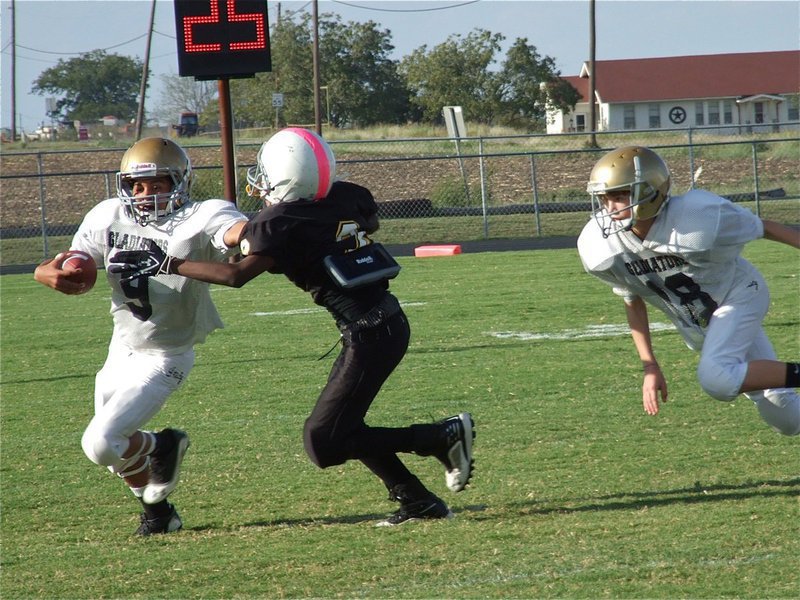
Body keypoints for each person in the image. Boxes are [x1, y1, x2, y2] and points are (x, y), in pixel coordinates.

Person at [108, 127, 476, 525]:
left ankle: (439, 437)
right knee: (344, 427)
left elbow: (236, 276)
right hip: (382, 324)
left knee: (324, 442)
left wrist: (168, 263)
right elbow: (363, 224)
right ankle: (418, 501)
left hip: (371, 333)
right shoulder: (345, 196)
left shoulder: (281, 221)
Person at [34, 137, 248, 535]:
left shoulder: (201, 215)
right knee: (115, 451)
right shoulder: (108, 215)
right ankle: (160, 515)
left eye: (158, 183)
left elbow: (234, 231)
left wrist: (247, 234)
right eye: (137, 185)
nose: (146, 194)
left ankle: (164, 444)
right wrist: (46, 272)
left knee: (102, 443)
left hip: (167, 354)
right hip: (123, 347)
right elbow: (71, 261)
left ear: (180, 182)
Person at [577, 145, 800, 435]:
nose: (609, 208)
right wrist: (650, 366)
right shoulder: (601, 245)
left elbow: (763, 227)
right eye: (604, 198)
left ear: (650, 192)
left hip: (739, 296)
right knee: (784, 416)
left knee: (716, 378)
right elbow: (632, 300)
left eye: (619, 196)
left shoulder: (695, 219)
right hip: (702, 324)